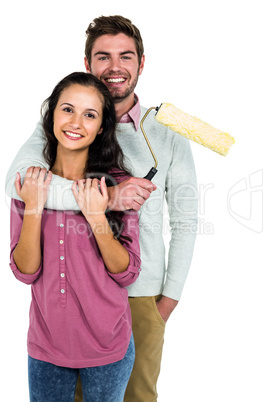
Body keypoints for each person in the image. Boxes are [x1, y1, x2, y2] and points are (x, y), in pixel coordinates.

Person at [6, 16, 198, 402]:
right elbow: (19, 182)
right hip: (68, 302)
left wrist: (169, 299)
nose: (115, 67)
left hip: (142, 293)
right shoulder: (63, 126)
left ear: (141, 63)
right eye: (103, 56)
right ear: (87, 63)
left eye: (126, 56)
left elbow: (186, 219)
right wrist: (109, 198)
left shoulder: (170, 130)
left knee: (138, 395)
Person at [9, 72, 141, 402]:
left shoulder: (117, 186)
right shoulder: (29, 183)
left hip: (108, 347)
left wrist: (97, 216)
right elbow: (25, 272)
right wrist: (34, 207)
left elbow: (127, 271)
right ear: (51, 114)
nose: (76, 123)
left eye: (90, 115)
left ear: (101, 128)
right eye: (67, 109)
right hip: (47, 347)